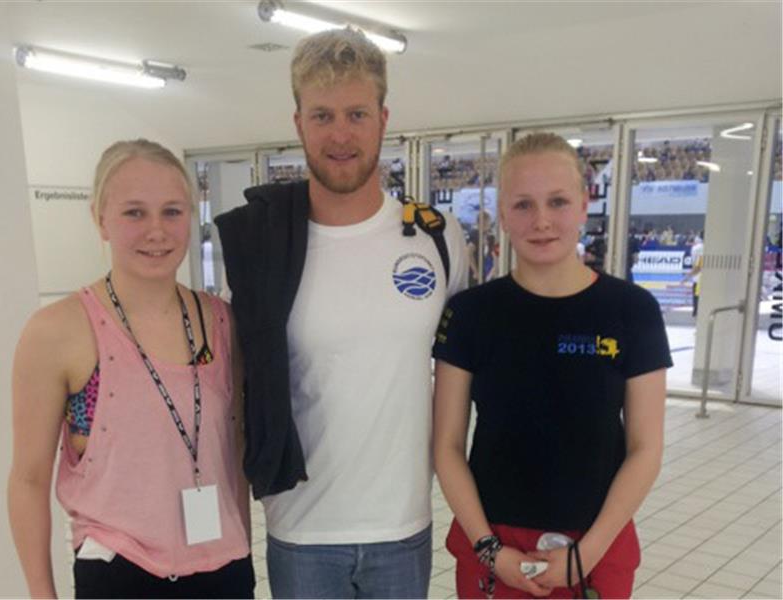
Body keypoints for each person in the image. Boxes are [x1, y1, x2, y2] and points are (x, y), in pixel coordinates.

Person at [216, 28, 467, 599]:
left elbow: (460, 381)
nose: (340, 134)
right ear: (298, 122)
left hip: (402, 525)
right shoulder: (262, 244)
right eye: (323, 115)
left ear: (383, 118)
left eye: (356, 113)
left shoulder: (438, 237)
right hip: (302, 527)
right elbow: (235, 381)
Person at [8, 140, 253, 599]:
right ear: (100, 218)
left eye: (172, 212)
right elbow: (28, 478)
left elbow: (233, 455)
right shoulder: (59, 331)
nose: (156, 231)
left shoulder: (220, 322)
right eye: (134, 213)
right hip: (121, 571)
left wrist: (244, 554)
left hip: (223, 569)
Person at [433, 132, 672, 599]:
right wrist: (488, 549)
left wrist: (588, 553)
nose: (541, 220)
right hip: (493, 545)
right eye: (523, 205)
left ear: (584, 205)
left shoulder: (632, 310)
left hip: (595, 547)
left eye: (558, 201)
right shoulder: (470, 314)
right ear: (502, 213)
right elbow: (446, 446)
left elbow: (646, 448)